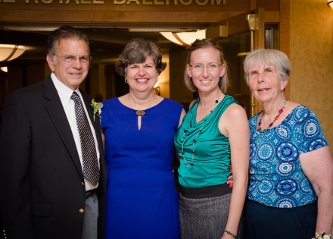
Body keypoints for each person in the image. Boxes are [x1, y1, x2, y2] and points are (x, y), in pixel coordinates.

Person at [0, 25, 106, 239]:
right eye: (69, 57)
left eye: (83, 58)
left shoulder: (90, 103)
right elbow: (12, 180)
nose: (78, 65)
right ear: (51, 61)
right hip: (48, 223)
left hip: (93, 210)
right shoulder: (23, 103)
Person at [242, 48, 333, 239]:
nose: (260, 79)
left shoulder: (302, 119)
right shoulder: (250, 124)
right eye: (253, 73)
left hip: (293, 223)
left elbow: (326, 187)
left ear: (283, 81)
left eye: (268, 71)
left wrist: (323, 236)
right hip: (253, 222)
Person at [101, 38, 185, 239]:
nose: (141, 73)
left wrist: (226, 171)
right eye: (134, 66)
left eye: (148, 66)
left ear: (157, 71)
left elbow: (192, 158)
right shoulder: (105, 110)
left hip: (162, 202)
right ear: (125, 73)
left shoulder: (176, 111)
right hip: (116, 203)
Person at [174, 39, 250, 239]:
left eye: (212, 66)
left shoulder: (233, 113)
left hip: (217, 206)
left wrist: (230, 232)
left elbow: (241, 179)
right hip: (185, 203)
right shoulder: (192, 107)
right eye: (198, 66)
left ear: (222, 70)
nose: (205, 73)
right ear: (189, 71)